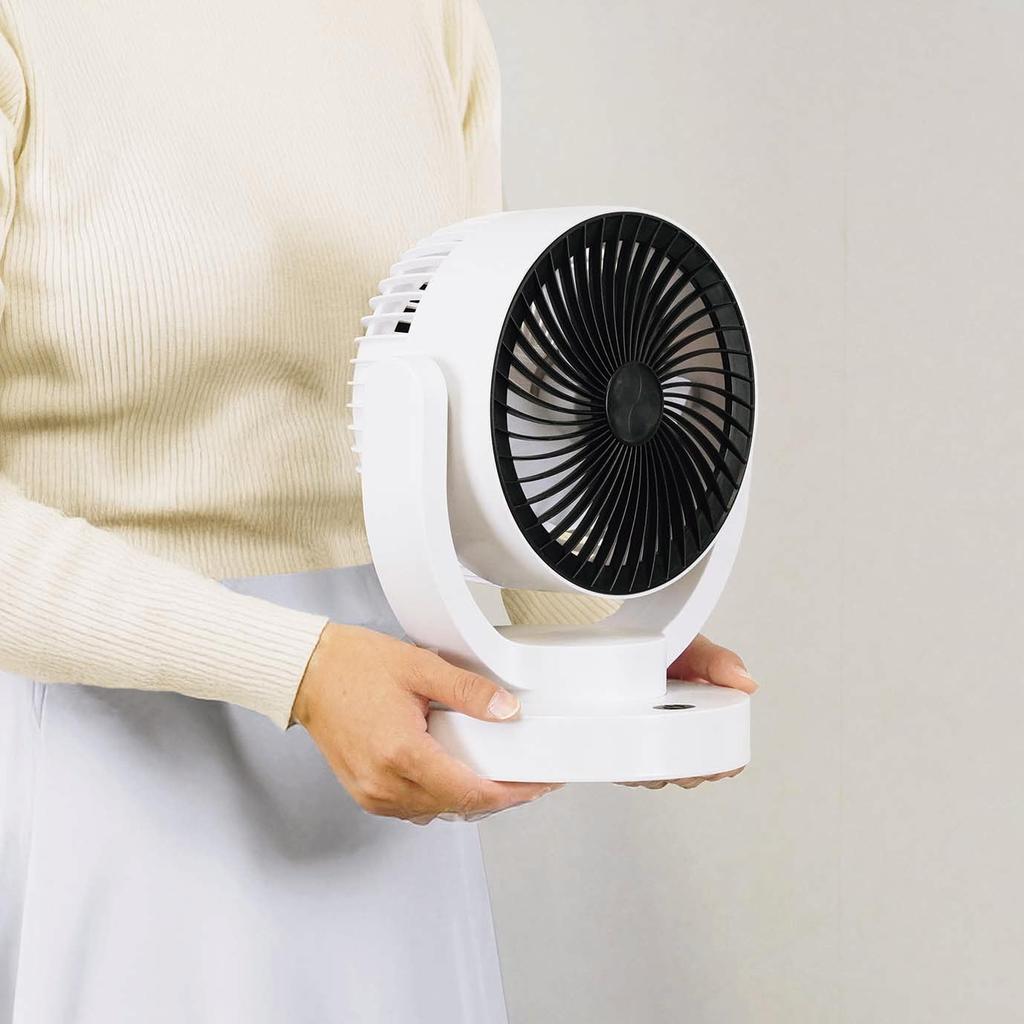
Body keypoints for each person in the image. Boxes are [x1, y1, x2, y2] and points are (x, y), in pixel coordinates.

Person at [0, 1, 758, 1021]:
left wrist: (595, 639)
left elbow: (477, 406)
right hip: (101, 750)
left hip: (395, 730)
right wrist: (299, 669)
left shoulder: (423, 20)